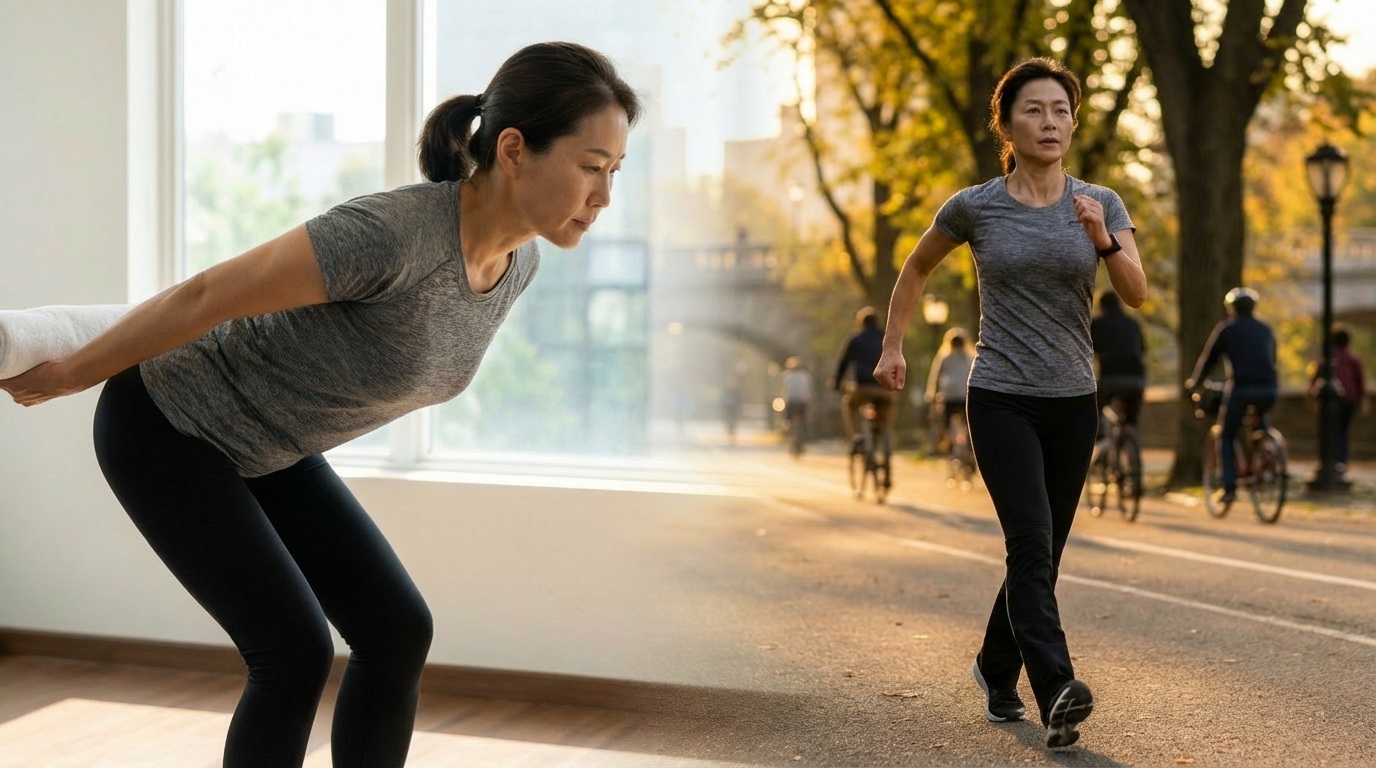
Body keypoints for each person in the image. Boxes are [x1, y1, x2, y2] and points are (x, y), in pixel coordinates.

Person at [0, 42, 640, 768]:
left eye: (615, 172)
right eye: (591, 167)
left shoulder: (515, 263)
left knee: (396, 631)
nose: (604, 197)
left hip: (270, 448)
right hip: (168, 425)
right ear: (516, 149)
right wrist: (77, 370)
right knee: (294, 651)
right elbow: (208, 295)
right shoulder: (393, 234)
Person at [872, 58, 1147, 749]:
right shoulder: (975, 206)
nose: (1049, 122)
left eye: (1061, 109)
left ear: (1073, 121)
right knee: (1029, 541)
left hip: (1072, 399)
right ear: (1006, 122)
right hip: (1000, 395)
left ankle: (996, 670)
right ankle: (1058, 689)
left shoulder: (1102, 202)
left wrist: (1101, 239)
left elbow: (1138, 292)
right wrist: (894, 345)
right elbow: (917, 267)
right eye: (1034, 109)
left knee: (1041, 556)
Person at [1184, 287, 1278, 505]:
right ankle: (1267, 457)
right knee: (1260, 424)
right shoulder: (1266, 329)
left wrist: (1194, 383)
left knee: (1226, 435)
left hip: (1241, 389)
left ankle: (1229, 489)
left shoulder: (1227, 329)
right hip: (1269, 388)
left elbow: (1209, 359)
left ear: (1231, 308)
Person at [832, 306, 896, 451]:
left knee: (849, 404)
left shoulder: (855, 339)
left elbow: (844, 362)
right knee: (887, 405)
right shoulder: (886, 338)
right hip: (883, 388)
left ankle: (856, 435)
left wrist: (836, 381)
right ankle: (885, 434)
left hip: (863, 387)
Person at [1310, 325, 1368, 473]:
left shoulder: (1326, 359)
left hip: (1333, 399)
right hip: (1349, 399)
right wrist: (1363, 400)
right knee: (1343, 430)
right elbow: (1360, 382)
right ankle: (1341, 461)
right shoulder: (1353, 359)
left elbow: (1315, 378)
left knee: (1329, 430)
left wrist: (1313, 393)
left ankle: (1330, 461)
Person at [1089, 290, 1146, 436]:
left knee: (1095, 407)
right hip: (1136, 379)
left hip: (1110, 377)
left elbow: (1089, 350)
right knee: (1131, 420)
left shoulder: (1098, 324)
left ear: (1102, 306)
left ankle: (1099, 433)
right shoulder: (1133, 324)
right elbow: (1143, 349)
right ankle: (1133, 441)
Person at [925, 327, 974, 455]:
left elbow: (935, 377)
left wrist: (931, 395)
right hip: (966, 396)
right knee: (970, 425)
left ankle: (946, 445)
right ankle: (970, 449)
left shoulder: (944, 357)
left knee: (944, 422)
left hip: (949, 396)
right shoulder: (971, 358)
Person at [780, 355, 815, 452]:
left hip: (792, 401)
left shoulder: (786, 375)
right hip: (799, 401)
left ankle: (791, 433)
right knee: (802, 420)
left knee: (789, 420)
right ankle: (799, 438)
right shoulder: (805, 375)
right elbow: (809, 391)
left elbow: (783, 391)